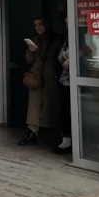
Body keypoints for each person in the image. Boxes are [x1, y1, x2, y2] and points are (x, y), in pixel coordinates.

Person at [19, 16, 61, 146]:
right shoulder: (35, 40)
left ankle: (57, 134)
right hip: (36, 77)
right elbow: (28, 60)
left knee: (52, 104)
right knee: (34, 106)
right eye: (36, 25)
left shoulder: (56, 40)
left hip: (51, 77)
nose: (38, 28)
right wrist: (30, 51)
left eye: (40, 24)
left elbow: (60, 58)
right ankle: (32, 132)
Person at [54, 23, 72, 154]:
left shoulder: (81, 37)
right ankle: (66, 140)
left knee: (72, 112)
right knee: (65, 112)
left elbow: (88, 52)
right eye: (65, 23)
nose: (67, 25)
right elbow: (60, 57)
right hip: (65, 81)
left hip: (75, 81)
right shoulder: (67, 39)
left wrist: (72, 60)